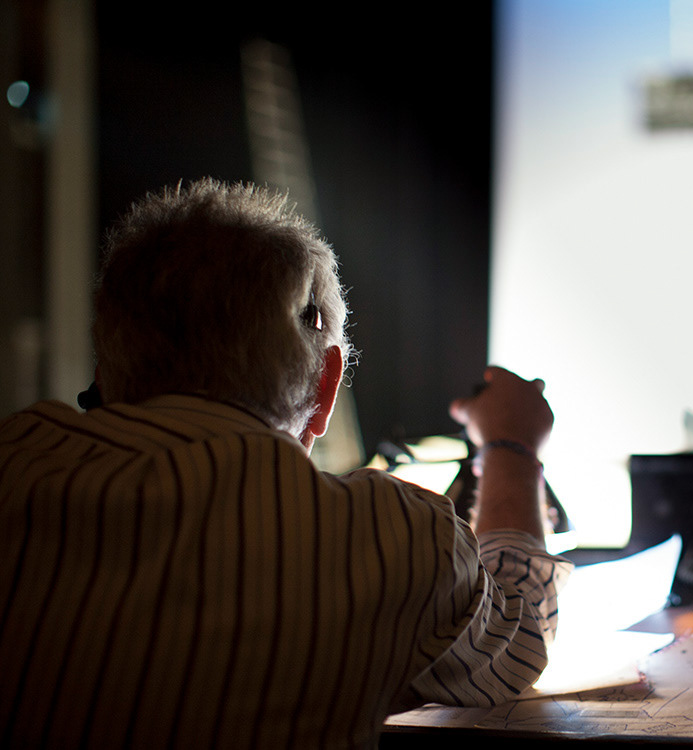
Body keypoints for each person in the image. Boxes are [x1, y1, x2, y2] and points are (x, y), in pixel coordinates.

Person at [0, 178, 570, 748]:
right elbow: (519, 642)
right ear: (325, 386)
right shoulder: (387, 541)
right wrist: (511, 449)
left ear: (106, 367)